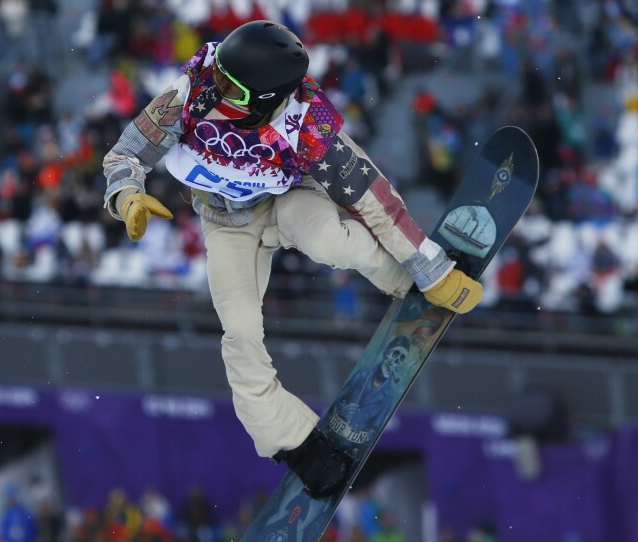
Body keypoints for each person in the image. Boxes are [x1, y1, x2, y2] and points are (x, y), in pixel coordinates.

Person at [101, 20, 483, 498]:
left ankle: (402, 283)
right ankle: (295, 441)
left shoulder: (306, 124)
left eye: (228, 86)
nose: (214, 87)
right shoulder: (191, 94)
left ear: (262, 97)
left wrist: (429, 268)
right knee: (238, 331)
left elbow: (374, 199)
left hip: (288, 200)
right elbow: (124, 154)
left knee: (327, 238)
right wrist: (127, 197)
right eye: (218, 74)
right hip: (227, 224)